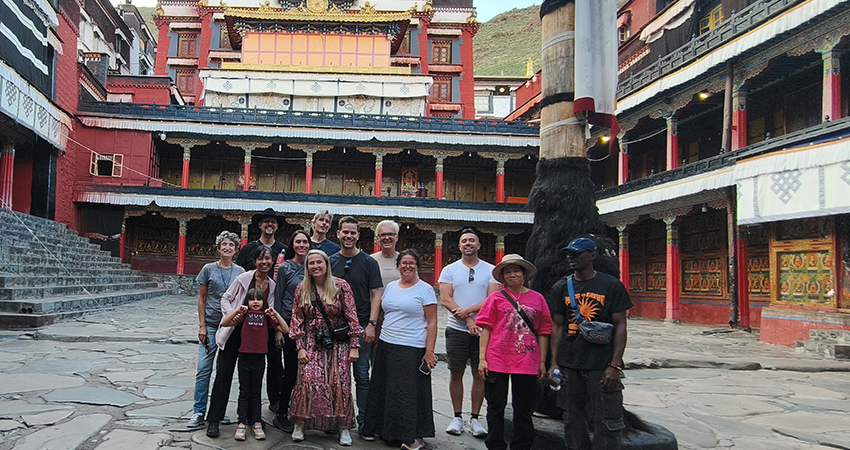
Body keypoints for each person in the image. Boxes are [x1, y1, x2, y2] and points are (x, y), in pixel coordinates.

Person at [547, 237, 632, 450]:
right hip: (570, 362)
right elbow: (557, 326)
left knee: (607, 420)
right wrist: (554, 363)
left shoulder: (611, 285)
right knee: (572, 418)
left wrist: (615, 365)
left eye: (577, 253)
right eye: (569, 254)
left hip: (601, 364)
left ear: (592, 255)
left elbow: (620, 324)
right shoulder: (561, 287)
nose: (571, 257)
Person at [362, 249, 437, 449]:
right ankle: (387, 431)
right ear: (398, 266)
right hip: (387, 344)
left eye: (412, 263)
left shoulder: (425, 289)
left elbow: (432, 322)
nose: (407, 266)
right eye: (404, 263)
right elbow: (385, 315)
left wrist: (429, 351)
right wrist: (377, 339)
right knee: (385, 390)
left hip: (411, 347)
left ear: (417, 266)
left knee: (407, 394)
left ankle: (413, 436)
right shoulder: (393, 287)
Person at [477, 254, 552, 450]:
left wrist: (542, 362)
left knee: (523, 408)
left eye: (516, 271)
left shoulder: (538, 299)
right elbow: (486, 328)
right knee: (495, 406)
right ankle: (495, 445)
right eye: (507, 272)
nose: (512, 275)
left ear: (524, 273)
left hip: (527, 360)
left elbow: (544, 331)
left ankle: (522, 445)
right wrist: (482, 359)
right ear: (502, 277)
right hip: (497, 358)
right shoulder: (495, 298)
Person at [289, 249, 363, 446]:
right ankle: (301, 423)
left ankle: (342, 426)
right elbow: (297, 318)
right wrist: (299, 347)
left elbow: (352, 316)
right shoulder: (302, 288)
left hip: (338, 342)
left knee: (339, 382)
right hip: (311, 341)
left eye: (319, 262)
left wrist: (355, 345)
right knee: (307, 379)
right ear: (307, 267)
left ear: (326, 264)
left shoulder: (340, 286)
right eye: (311, 263)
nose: (315, 266)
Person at [207, 245, 277, 438]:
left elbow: (270, 309)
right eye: (261, 259)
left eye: (268, 259)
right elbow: (226, 298)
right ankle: (214, 418)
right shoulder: (244, 278)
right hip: (236, 330)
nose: (264, 262)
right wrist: (233, 315)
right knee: (224, 373)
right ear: (254, 261)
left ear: (272, 262)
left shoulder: (272, 284)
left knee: (253, 379)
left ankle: (252, 418)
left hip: (255, 333)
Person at [438, 228, 500, 438]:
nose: (468, 244)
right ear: (459, 246)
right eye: (464, 241)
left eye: (472, 241)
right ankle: (456, 416)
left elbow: (492, 299)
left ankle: (474, 417)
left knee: (479, 374)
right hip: (457, 329)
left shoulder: (491, 270)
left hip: (483, 330)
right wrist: (467, 320)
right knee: (456, 372)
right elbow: (446, 299)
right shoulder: (450, 270)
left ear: (479, 245)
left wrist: (471, 314)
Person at [328, 216, 382, 432]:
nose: (349, 236)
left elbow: (376, 294)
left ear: (358, 236)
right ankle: (334, 417)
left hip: (360, 327)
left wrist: (372, 324)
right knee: (334, 375)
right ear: (338, 234)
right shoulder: (330, 261)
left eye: (353, 232)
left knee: (362, 375)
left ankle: (365, 420)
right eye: (345, 232)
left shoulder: (369, 262)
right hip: (334, 328)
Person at [188, 231, 244, 428]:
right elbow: (202, 299)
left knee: (224, 372)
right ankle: (199, 410)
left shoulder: (241, 272)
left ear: (236, 249)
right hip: (211, 325)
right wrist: (202, 325)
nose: (227, 248)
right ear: (218, 248)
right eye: (224, 245)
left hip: (229, 328)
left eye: (231, 245)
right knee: (204, 370)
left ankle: (217, 411)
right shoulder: (208, 269)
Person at [235, 207, 287, 414]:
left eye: (273, 222)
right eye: (266, 221)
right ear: (259, 225)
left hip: (272, 313)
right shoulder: (248, 249)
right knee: (250, 363)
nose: (269, 225)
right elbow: (238, 279)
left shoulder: (283, 250)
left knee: (275, 362)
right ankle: (247, 404)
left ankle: (275, 400)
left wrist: (277, 330)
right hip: (248, 317)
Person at [220, 288, 290, 441]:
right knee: (244, 391)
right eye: (252, 299)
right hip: (244, 357)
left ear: (264, 302)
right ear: (247, 302)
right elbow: (224, 322)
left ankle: (257, 423)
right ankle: (242, 423)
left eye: (259, 299)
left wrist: (275, 314)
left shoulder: (266, 317)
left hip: (259, 359)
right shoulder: (243, 315)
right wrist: (237, 310)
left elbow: (285, 329)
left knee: (256, 391)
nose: (255, 302)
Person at [272, 229, 311, 433]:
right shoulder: (285, 268)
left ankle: (305, 411)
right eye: (298, 242)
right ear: (292, 245)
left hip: (311, 324)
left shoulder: (314, 265)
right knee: (291, 371)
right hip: (288, 322)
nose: (302, 245)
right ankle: (281, 413)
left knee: (310, 372)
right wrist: (278, 329)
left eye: (305, 241)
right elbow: (278, 298)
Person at [370, 220, 401, 289]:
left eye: (390, 234)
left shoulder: (404, 260)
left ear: (397, 237)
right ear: (377, 238)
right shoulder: (370, 260)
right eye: (383, 235)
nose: (387, 238)